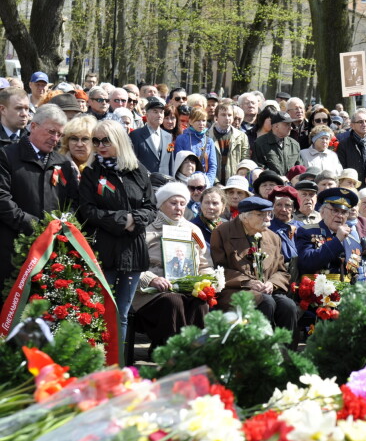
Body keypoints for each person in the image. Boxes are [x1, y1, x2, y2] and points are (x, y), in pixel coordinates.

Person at [79, 119, 157, 340]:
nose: (100, 145)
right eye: (96, 141)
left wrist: (135, 219)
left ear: (119, 140)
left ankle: (117, 367)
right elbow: (87, 210)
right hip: (105, 251)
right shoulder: (92, 172)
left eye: (106, 140)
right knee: (100, 311)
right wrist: (123, 219)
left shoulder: (138, 170)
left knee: (121, 313)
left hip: (133, 251)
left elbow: (151, 207)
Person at [0, 104, 79, 290]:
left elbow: (74, 201)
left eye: (60, 135)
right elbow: (2, 199)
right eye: (51, 132)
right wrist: (35, 225)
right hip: (13, 247)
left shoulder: (63, 162)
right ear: (33, 126)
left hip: (51, 248)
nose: (55, 139)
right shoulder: (6, 155)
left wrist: (63, 224)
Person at [132, 182, 214, 351]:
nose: (179, 208)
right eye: (173, 203)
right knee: (173, 301)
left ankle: (197, 353)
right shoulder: (145, 229)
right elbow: (131, 265)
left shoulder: (193, 230)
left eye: (183, 204)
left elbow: (205, 264)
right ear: (161, 204)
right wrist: (151, 279)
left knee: (200, 302)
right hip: (152, 293)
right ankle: (169, 352)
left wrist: (206, 281)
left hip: (187, 288)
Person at [211, 196, 298, 344]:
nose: (267, 218)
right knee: (266, 302)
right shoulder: (222, 232)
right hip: (235, 290)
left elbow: (282, 271)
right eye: (260, 214)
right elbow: (218, 269)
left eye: (268, 214)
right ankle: (261, 353)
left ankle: (286, 355)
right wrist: (247, 282)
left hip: (266, 289)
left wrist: (272, 283)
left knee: (288, 306)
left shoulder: (273, 237)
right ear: (245, 217)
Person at [295, 188, 365, 282]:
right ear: (322, 212)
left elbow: (355, 272)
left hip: (347, 293)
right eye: (335, 210)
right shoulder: (307, 231)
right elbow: (307, 262)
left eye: (344, 212)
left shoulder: (353, 240)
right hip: (316, 291)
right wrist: (337, 240)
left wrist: (361, 279)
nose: (340, 215)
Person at [130, 97, 175, 175]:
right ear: (147, 115)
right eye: (155, 112)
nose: (159, 115)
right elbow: (132, 161)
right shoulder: (135, 135)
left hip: (164, 182)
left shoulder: (168, 136)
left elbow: (170, 161)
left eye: (161, 112)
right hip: (144, 182)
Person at [174, 108, 216, 184]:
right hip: (185, 182)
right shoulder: (181, 139)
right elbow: (178, 163)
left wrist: (208, 183)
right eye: (198, 120)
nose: (201, 123)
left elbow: (212, 165)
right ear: (190, 121)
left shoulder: (209, 141)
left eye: (203, 120)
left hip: (203, 183)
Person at [252, 111, 301, 176]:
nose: (291, 127)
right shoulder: (260, 143)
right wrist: (277, 178)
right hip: (271, 184)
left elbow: (299, 168)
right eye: (287, 124)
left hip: (291, 184)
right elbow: (259, 168)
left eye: (291, 124)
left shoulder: (294, 145)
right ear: (276, 126)